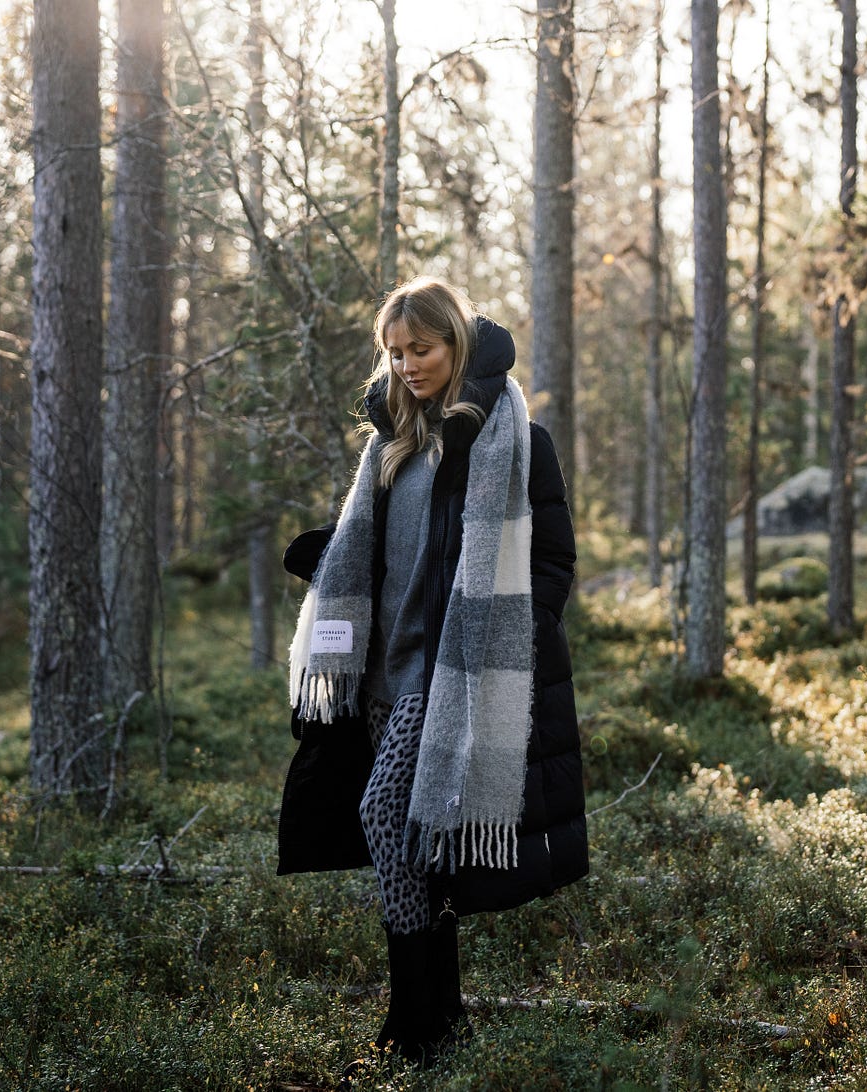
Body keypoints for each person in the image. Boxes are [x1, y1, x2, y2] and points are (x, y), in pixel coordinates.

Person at [276, 276, 588, 1080]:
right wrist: (330, 561)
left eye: (422, 349)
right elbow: (388, 551)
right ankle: (436, 1021)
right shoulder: (393, 447)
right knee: (420, 845)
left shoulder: (514, 442)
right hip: (383, 674)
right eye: (395, 353)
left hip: (448, 676)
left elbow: (553, 560)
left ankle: (410, 1020)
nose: (408, 365)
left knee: (382, 815)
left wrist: (508, 640)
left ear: (457, 343)